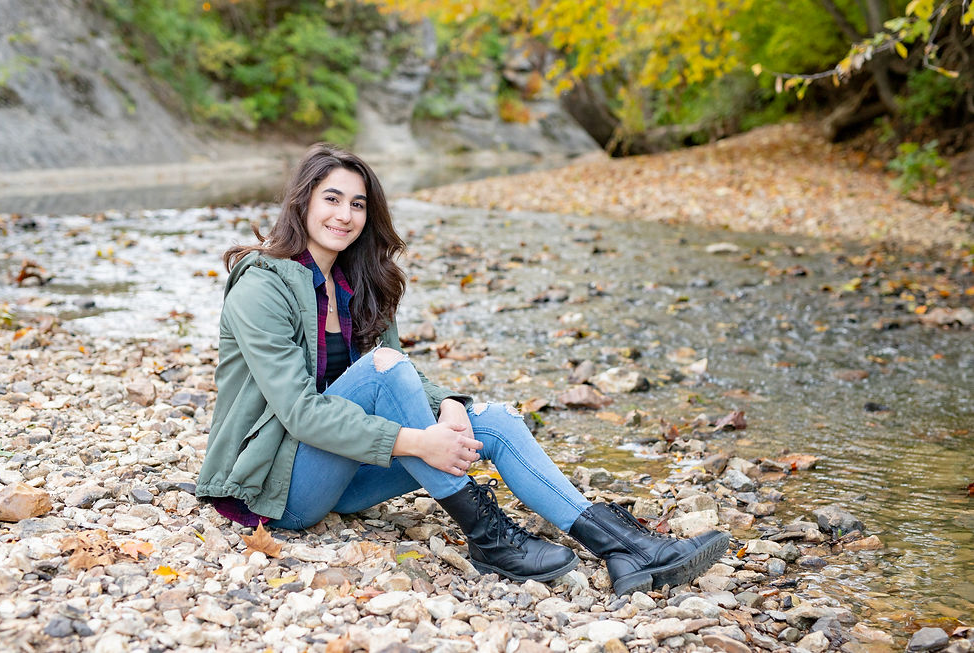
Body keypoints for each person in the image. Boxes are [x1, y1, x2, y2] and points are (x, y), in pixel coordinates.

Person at [196, 143, 729, 595]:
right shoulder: (263, 285)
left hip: (342, 472)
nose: (345, 215)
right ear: (303, 202)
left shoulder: (359, 285)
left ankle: (626, 550)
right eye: (331, 198)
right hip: (275, 490)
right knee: (385, 370)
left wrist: (450, 403)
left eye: (358, 204)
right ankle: (490, 538)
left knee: (491, 419)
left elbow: (404, 377)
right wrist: (418, 442)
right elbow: (301, 413)